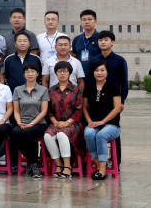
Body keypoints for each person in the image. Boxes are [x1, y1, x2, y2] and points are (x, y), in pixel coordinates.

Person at [90, 31, 127, 168]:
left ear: (112, 42)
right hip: (97, 100)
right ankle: (98, 161)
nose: (103, 42)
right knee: (94, 129)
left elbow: (124, 82)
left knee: (113, 129)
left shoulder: (119, 60)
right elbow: (90, 81)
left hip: (113, 101)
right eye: (100, 40)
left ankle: (116, 162)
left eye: (106, 39)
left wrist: (122, 101)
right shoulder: (94, 60)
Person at [83, 60, 122, 180]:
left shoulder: (113, 87)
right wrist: (89, 121)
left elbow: (117, 108)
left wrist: (103, 121)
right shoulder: (89, 88)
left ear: (107, 71)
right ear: (93, 72)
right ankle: (99, 165)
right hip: (94, 123)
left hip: (111, 125)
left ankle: (102, 170)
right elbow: (84, 108)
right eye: (96, 70)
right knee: (88, 133)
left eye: (102, 70)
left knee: (101, 135)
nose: (99, 73)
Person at [44, 61, 83, 180]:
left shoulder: (76, 90)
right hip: (56, 122)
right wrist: (55, 122)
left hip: (73, 124)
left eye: (65, 71)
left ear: (69, 73)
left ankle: (67, 166)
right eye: (59, 71)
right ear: (55, 73)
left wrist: (67, 122)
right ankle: (59, 165)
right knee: (47, 136)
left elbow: (78, 110)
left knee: (62, 134)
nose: (62, 73)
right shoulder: (50, 91)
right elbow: (48, 110)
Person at [11, 63, 50, 179]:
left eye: (33, 71)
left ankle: (33, 164)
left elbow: (44, 111)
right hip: (22, 122)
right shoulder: (18, 90)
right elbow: (16, 110)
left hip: (39, 124)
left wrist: (32, 124)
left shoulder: (43, 90)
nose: (30, 74)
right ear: (24, 74)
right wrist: (19, 122)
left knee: (26, 132)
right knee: (15, 132)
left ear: (37, 74)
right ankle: (32, 160)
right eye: (27, 72)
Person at [71, 9, 101, 81]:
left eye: (90, 19)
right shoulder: (76, 39)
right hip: (80, 77)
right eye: (84, 20)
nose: (87, 22)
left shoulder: (101, 38)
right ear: (81, 22)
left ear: (95, 21)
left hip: (97, 76)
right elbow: (74, 58)